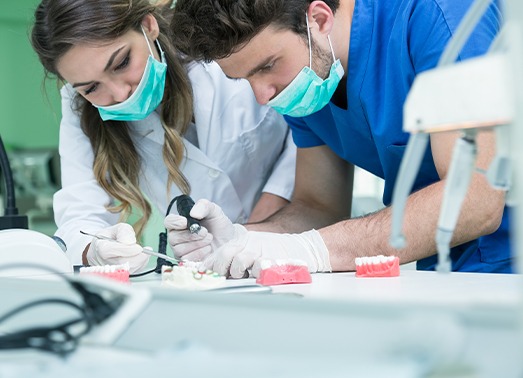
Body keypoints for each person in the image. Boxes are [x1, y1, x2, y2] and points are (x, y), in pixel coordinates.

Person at [166, 0, 511, 277]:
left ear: (318, 18)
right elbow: (318, 208)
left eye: (267, 66)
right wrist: (242, 239)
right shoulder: (309, 82)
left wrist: (313, 249)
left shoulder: (440, 14)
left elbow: (476, 200)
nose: (263, 96)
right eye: (243, 79)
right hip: (449, 269)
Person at [30, 0, 296, 273]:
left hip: (296, 241)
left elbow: (305, 134)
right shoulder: (81, 107)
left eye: (122, 62)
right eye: (92, 87)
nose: (121, 95)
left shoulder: (220, 43)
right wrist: (95, 249)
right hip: (209, 270)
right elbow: (79, 214)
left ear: (148, 25)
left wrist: (257, 225)